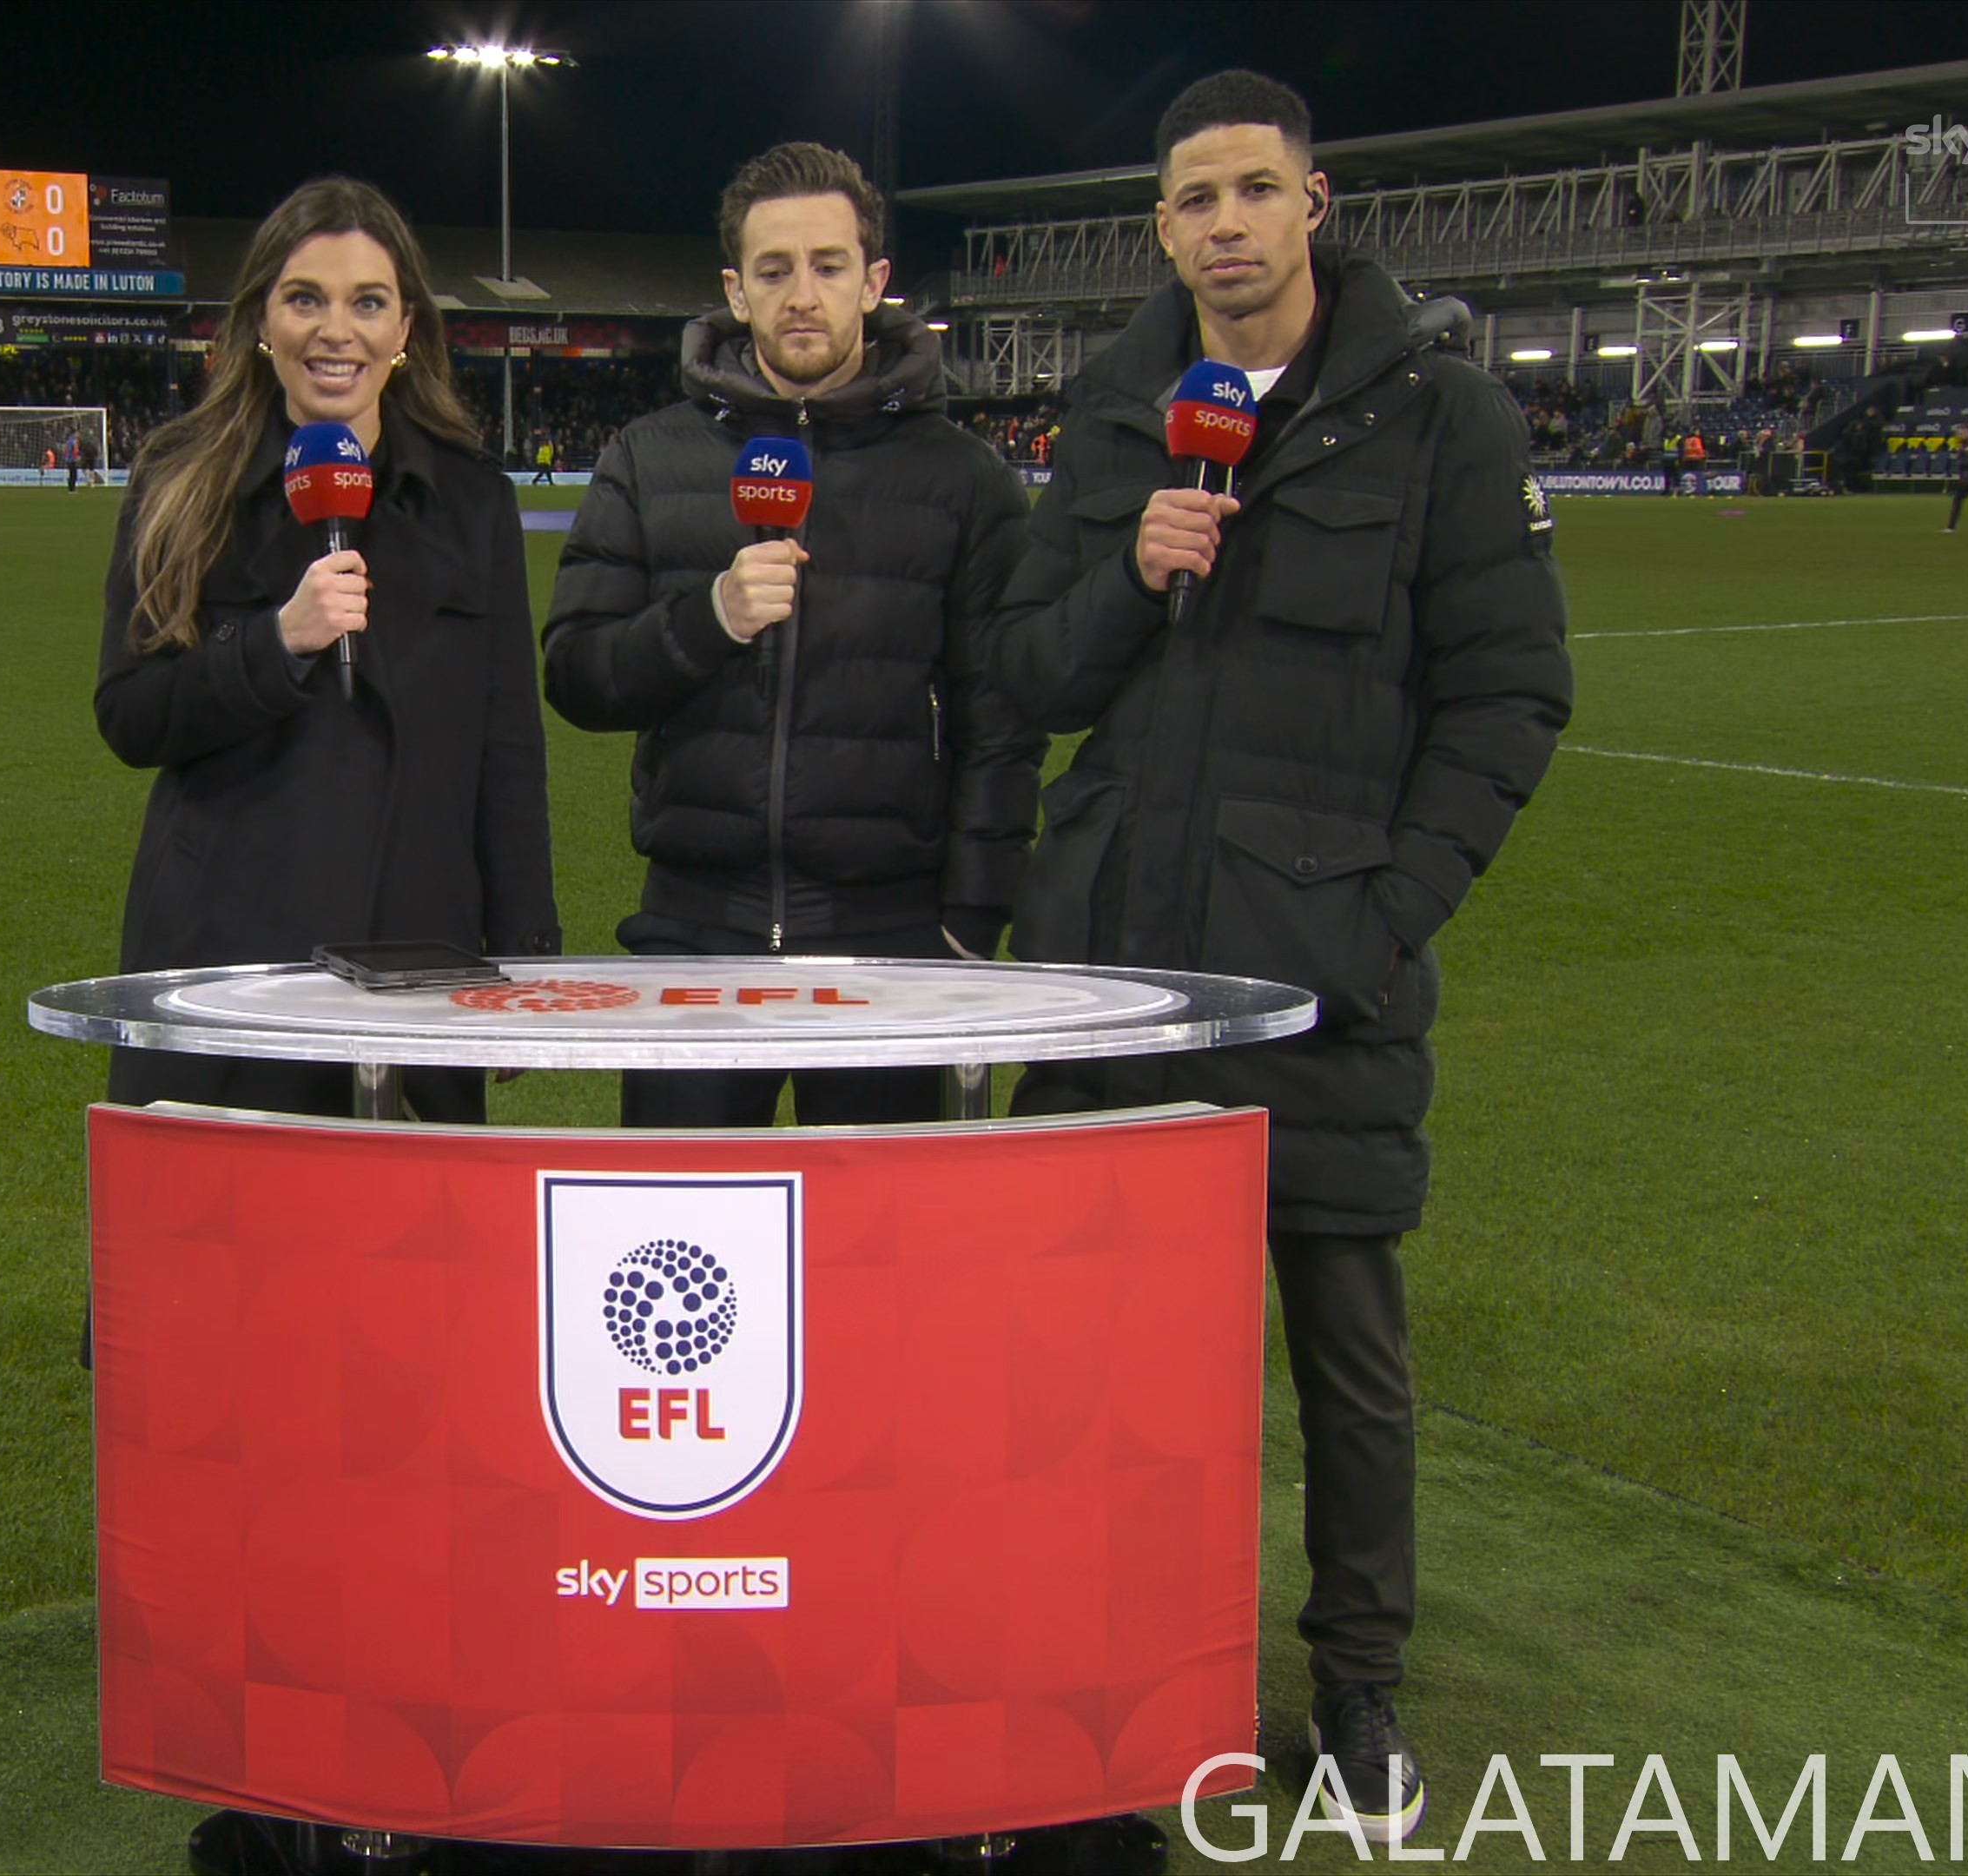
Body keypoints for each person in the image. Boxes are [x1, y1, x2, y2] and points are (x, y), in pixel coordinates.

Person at [981, 69, 1572, 1848]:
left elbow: (1510, 694)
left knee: (1347, 1356)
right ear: (1161, 228)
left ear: (1314, 203)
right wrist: (1130, 572)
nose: (1225, 223)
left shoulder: (1439, 413)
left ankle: (1360, 1687)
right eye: (1194, 198)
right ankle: (1113, 1654)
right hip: (1117, 974)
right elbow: (1030, 673)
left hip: (1321, 973)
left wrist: (1382, 914)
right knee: (1076, 1353)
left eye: (1254, 189)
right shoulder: (1118, 413)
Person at [543, 140, 1040, 1130]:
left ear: (875, 281)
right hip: (694, 932)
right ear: (736, 290)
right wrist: (708, 619)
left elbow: (1002, 721)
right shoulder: (647, 458)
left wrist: (970, 924)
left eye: (828, 266)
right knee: (686, 1224)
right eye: (774, 271)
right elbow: (576, 675)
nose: (802, 295)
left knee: (879, 1231)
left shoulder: (964, 477)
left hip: (893, 941)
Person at [95, 173, 559, 1130]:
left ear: (406, 330)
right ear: (262, 322)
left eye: (368, 303)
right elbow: (130, 714)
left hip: (421, 953)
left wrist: (525, 954)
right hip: (228, 950)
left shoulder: (472, 499)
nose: (335, 331)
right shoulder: (181, 483)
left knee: (413, 1225)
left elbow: (507, 746)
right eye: (305, 299)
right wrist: (274, 644)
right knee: (223, 1222)